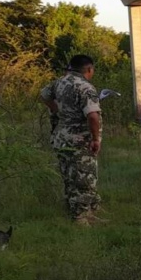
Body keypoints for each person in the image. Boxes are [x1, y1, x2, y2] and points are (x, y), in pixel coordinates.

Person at [40, 54, 103, 224]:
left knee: (69, 176)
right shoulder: (86, 87)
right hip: (79, 140)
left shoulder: (60, 82)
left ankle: (76, 210)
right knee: (83, 178)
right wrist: (96, 139)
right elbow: (93, 117)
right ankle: (81, 218)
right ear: (89, 69)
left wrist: (57, 111)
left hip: (61, 138)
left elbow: (44, 94)